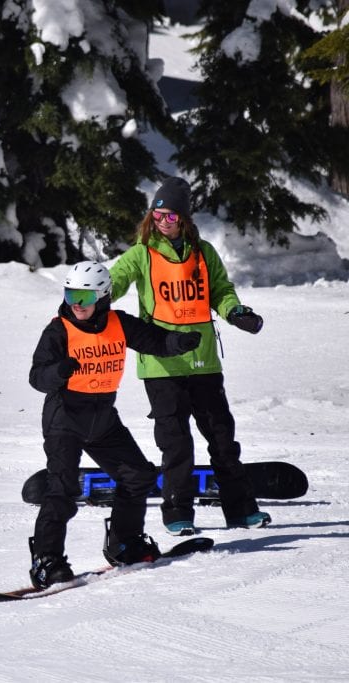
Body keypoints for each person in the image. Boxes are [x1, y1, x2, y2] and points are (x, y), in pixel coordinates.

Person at [109, 176, 270, 537]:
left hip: (204, 361)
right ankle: (178, 512)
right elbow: (116, 280)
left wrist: (234, 312)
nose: (165, 221)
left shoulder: (204, 253)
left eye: (172, 215)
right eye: (159, 214)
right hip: (161, 364)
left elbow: (221, 291)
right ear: (152, 216)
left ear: (184, 218)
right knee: (176, 443)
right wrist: (93, 297)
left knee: (223, 438)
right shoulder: (141, 253)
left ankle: (242, 510)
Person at [27, 261, 201, 589]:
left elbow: (154, 340)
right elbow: (37, 377)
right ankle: (46, 560)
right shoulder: (58, 330)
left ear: (104, 296)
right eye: (70, 294)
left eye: (84, 296)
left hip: (103, 419)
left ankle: (124, 543)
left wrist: (177, 343)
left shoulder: (118, 323)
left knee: (138, 476)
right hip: (65, 419)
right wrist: (59, 372)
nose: (76, 303)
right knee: (62, 489)